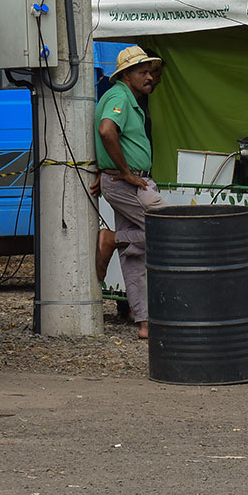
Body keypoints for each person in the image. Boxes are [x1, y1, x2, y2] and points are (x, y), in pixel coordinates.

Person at [94, 45, 164, 340]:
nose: (149, 77)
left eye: (151, 72)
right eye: (142, 72)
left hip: (126, 181)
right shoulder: (119, 96)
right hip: (129, 183)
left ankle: (145, 322)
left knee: (134, 257)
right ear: (125, 75)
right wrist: (122, 171)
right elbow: (106, 130)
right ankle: (109, 238)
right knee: (168, 231)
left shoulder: (128, 99)